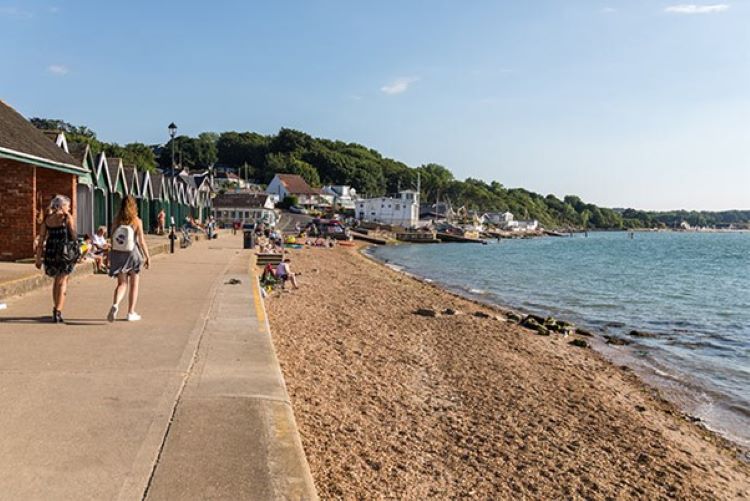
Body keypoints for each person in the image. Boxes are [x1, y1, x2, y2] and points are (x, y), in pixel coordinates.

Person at [107, 196, 151, 322]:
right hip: (133, 254)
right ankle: (131, 312)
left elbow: (112, 238)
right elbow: (141, 241)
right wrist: (147, 256)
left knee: (122, 284)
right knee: (134, 284)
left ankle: (115, 304)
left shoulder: (116, 220)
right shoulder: (137, 221)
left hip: (118, 253)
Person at [35, 195, 77, 323]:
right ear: (62, 206)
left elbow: (41, 239)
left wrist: (38, 257)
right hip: (64, 252)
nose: (69, 208)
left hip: (51, 252)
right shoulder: (65, 218)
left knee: (56, 281)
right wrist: (70, 218)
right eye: (67, 205)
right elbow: (73, 236)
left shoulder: (47, 219)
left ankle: (55, 308)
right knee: (63, 281)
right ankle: (58, 312)